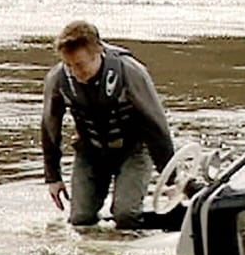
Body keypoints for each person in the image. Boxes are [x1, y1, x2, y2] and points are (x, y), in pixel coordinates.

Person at [40, 20, 175, 228]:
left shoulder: (130, 72)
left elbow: (156, 126)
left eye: (80, 65)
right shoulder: (58, 79)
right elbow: (50, 128)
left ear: (98, 53)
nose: (75, 73)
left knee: (126, 214)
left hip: (133, 151)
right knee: (80, 220)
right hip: (90, 152)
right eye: (69, 66)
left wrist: (171, 178)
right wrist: (53, 177)